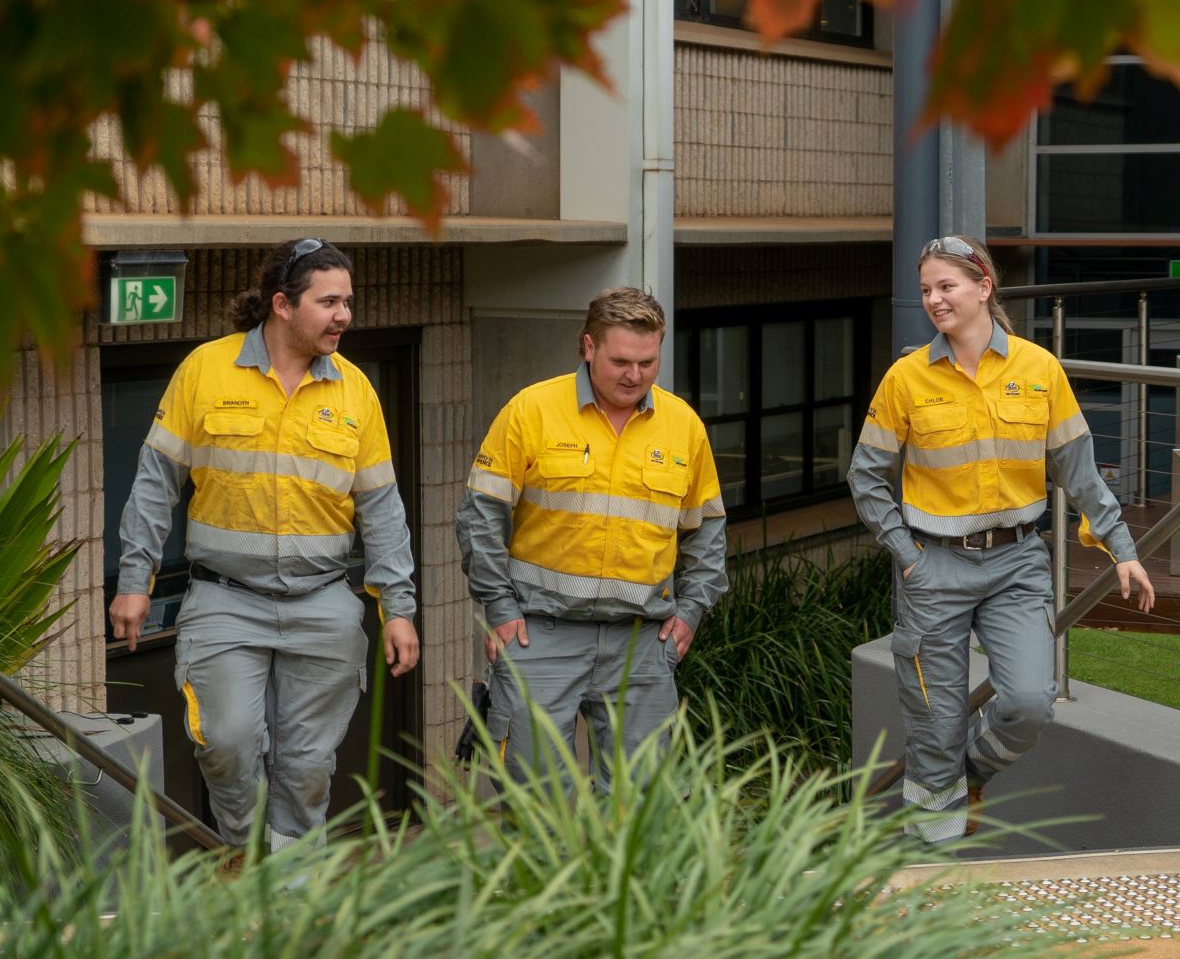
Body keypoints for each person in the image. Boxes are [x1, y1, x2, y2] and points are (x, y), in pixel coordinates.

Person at [109, 237, 419, 849]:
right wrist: (132, 580)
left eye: (348, 301)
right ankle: (251, 859)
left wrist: (398, 608)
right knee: (226, 743)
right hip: (226, 600)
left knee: (307, 769)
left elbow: (382, 508)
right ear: (282, 304)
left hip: (324, 601)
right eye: (329, 301)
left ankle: (287, 889)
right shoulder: (206, 369)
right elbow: (154, 483)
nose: (344, 316)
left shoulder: (356, 390)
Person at [849, 235, 1155, 845]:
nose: (935, 300)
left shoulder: (1039, 370)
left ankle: (971, 775)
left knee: (1028, 704)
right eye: (927, 289)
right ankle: (936, 875)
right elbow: (865, 477)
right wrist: (908, 557)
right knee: (933, 727)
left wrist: (1123, 550)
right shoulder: (906, 379)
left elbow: (1079, 470)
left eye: (947, 286)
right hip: (933, 568)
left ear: (983, 287)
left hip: (1017, 564)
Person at [457, 287, 727, 791]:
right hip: (540, 634)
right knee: (536, 803)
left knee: (641, 805)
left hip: (643, 643)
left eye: (648, 362)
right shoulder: (531, 410)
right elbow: (480, 518)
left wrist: (690, 613)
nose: (635, 375)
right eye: (621, 361)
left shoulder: (683, 425)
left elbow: (707, 530)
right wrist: (500, 609)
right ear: (588, 347)